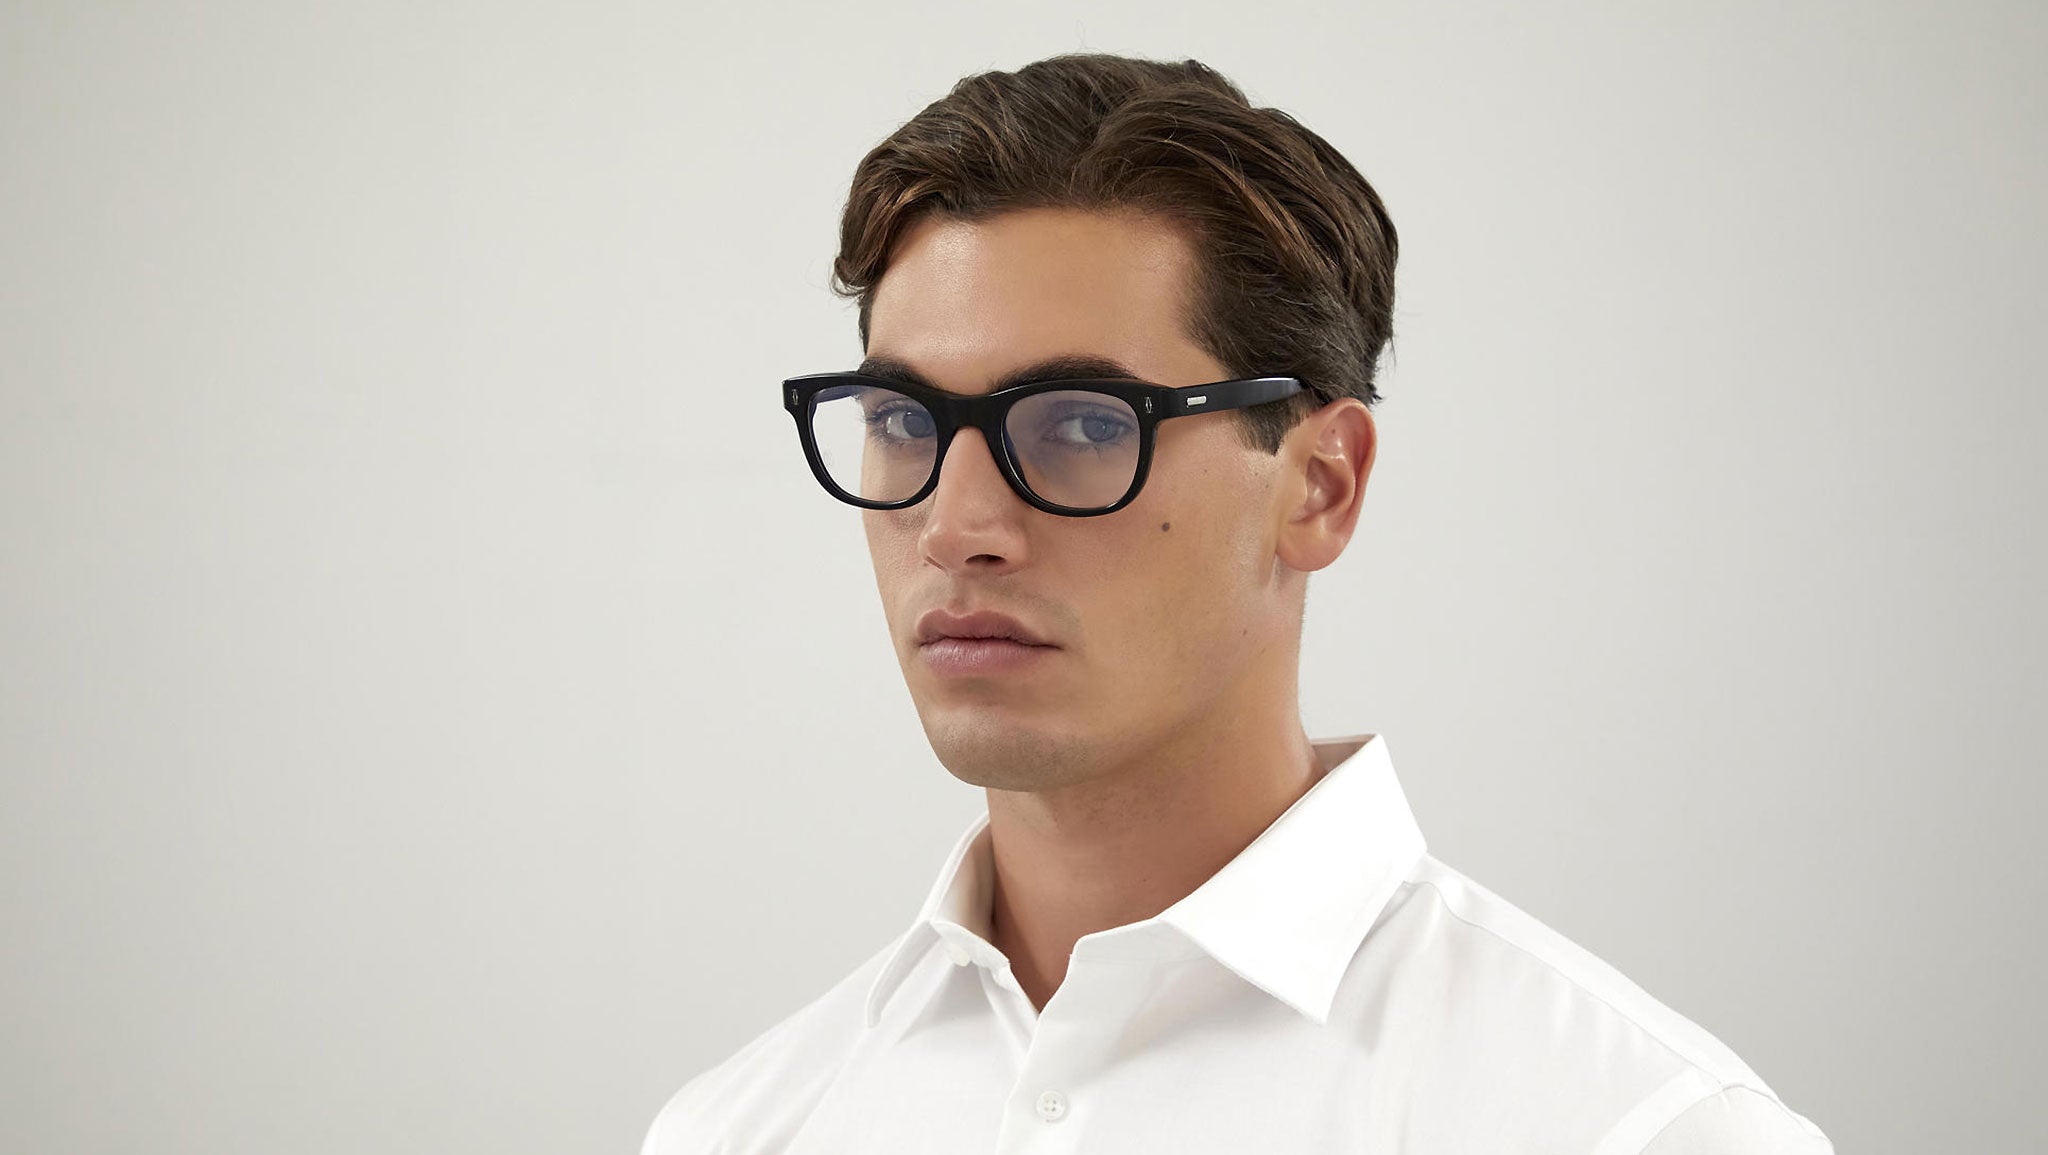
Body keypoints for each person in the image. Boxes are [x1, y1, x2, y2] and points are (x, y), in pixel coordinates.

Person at [643, 52, 1834, 1154]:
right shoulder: (737, 1131)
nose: (954, 527)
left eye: (1079, 427)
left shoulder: (1638, 1127)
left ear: (1320, 485)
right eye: (902, 421)